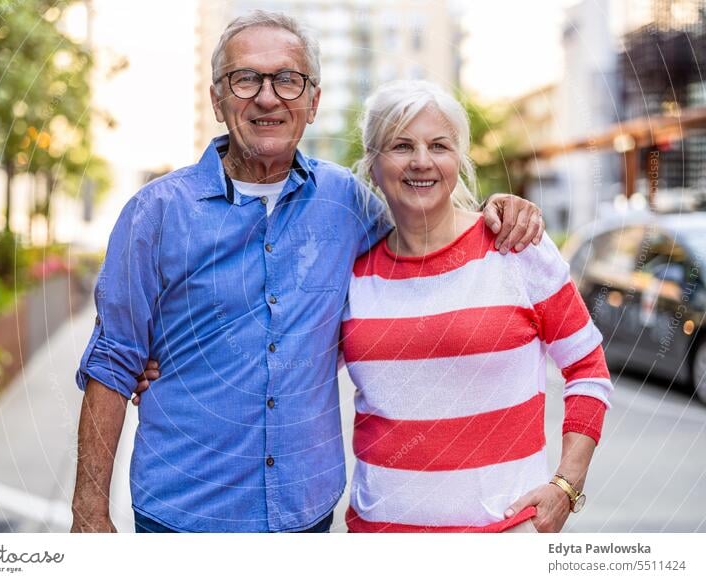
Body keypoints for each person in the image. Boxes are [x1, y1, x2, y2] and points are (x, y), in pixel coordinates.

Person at [71, 11, 543, 534]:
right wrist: (89, 514)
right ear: (217, 99)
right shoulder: (155, 214)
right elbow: (112, 362)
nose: (267, 98)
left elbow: (428, 230)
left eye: (287, 80)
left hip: (307, 514)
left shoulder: (350, 205)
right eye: (245, 78)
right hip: (182, 512)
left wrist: (498, 210)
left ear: (312, 101)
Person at [339, 80, 613, 532]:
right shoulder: (352, 272)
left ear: (458, 161)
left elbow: (588, 368)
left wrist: (567, 483)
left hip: (502, 536)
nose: (421, 161)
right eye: (401, 145)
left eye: (439, 145)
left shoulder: (517, 246)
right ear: (372, 165)